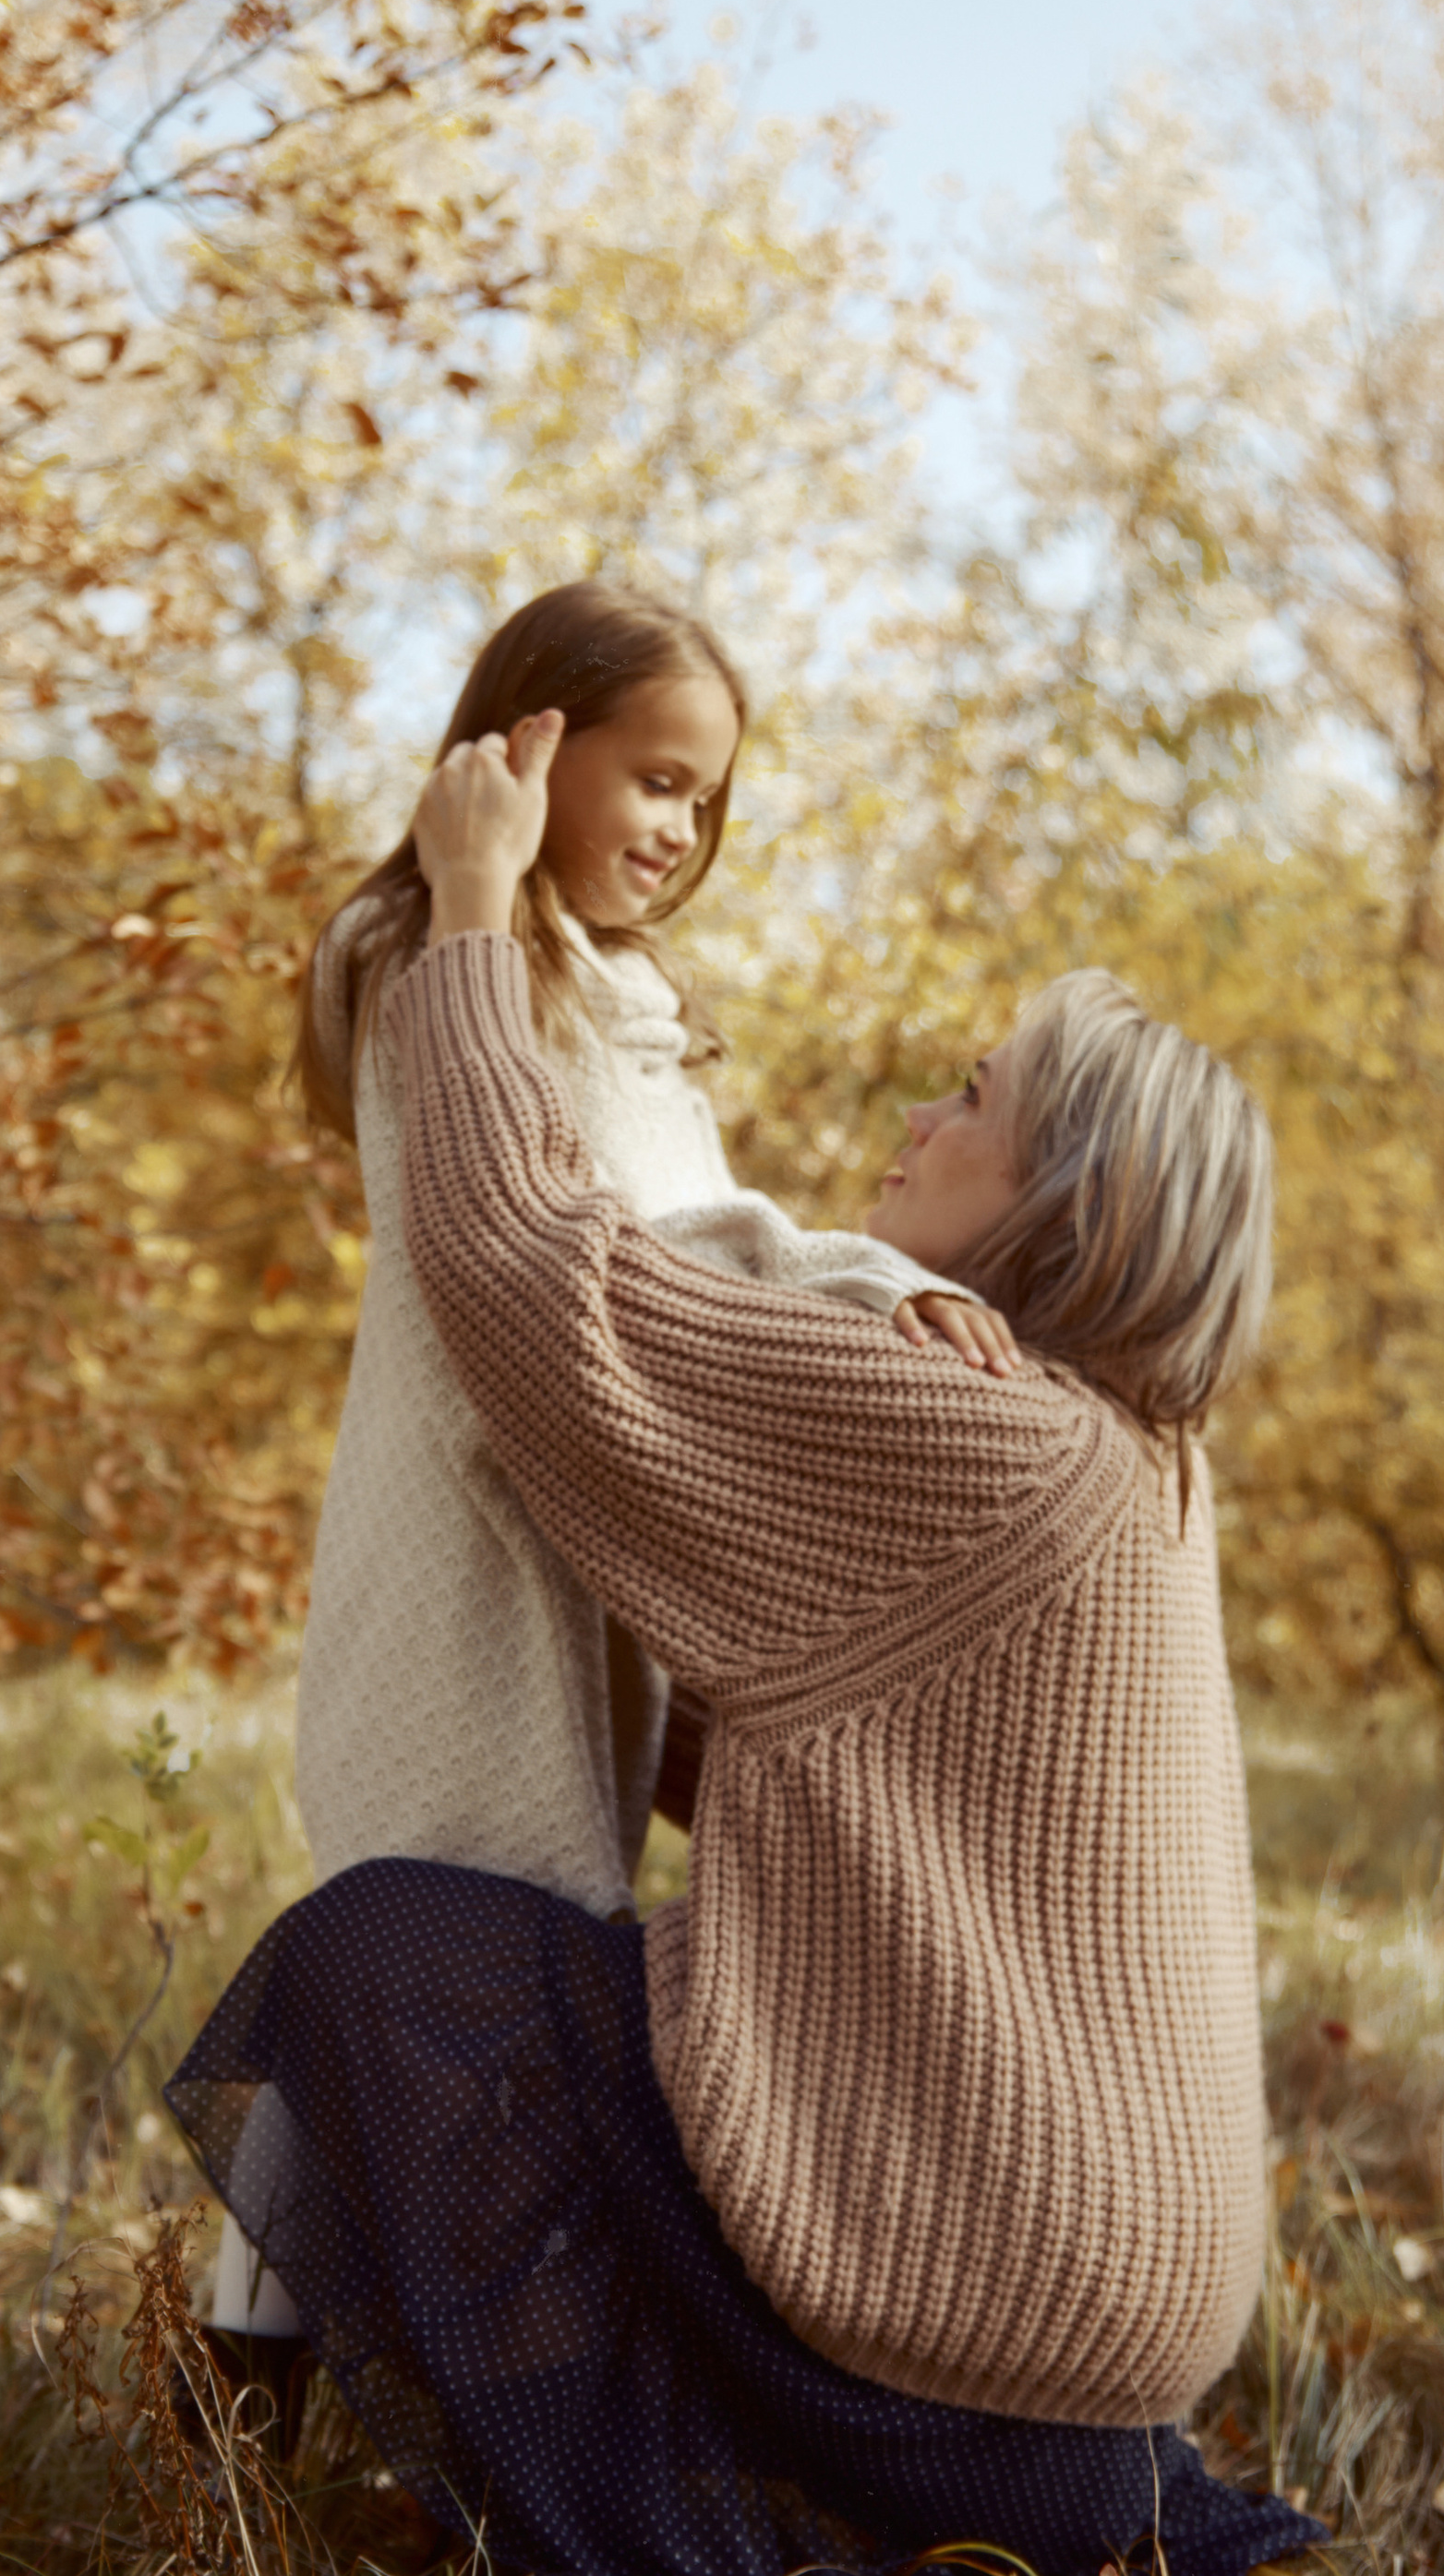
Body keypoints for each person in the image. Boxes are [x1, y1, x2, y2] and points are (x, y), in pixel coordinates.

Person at [168, 713, 1324, 2576]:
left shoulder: (965, 1430)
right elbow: (845, 1777)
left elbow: (542, 1299)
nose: (913, 1111)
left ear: (1060, 1197)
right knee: (618, 1998)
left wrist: (456, 916)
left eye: (966, 1099)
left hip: (959, 2310)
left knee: (380, 1962)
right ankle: (792, 2508)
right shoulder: (1128, 1461)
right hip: (1100, 2351)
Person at [203, 583, 1017, 2413]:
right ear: (527, 748)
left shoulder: (634, 1011)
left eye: (707, 805)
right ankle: (260, 2385)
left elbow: (694, 1257)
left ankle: (387, 2381)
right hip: (459, 1552)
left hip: (580, 1560)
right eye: (650, 780)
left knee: (495, 1978)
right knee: (429, 1959)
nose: (677, 831)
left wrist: (876, 1290)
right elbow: (568, 1249)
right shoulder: (420, 958)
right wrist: (476, 886)